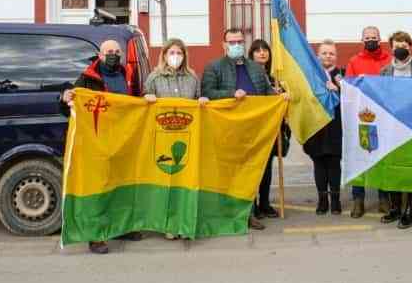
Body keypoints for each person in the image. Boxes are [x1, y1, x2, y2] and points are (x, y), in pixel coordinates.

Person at [60, 38, 143, 255]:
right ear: (100, 55)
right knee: (98, 188)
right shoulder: (88, 78)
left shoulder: (128, 75)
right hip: (97, 141)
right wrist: (63, 97)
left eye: (117, 51)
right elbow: (70, 104)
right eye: (109, 51)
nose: (113, 54)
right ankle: (96, 236)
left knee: (122, 185)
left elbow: (137, 102)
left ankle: (121, 227)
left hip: (123, 140)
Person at [200, 28, 280, 231]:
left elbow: (267, 93)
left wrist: (280, 97)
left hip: (255, 129)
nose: (236, 45)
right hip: (229, 129)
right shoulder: (214, 67)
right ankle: (238, 211)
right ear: (224, 45)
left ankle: (253, 210)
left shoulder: (256, 68)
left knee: (254, 170)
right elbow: (207, 92)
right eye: (232, 42)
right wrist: (231, 93)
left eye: (239, 42)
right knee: (235, 172)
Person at [143, 38, 209, 240]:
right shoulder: (154, 78)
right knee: (166, 184)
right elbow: (143, 103)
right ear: (163, 55)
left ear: (184, 56)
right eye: (171, 52)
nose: (175, 57)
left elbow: (199, 98)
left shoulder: (192, 78)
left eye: (179, 53)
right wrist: (146, 98)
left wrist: (202, 101)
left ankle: (186, 222)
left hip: (187, 137)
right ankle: (168, 224)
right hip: (162, 138)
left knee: (187, 182)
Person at [378, 31, 412, 229]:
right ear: (391, 48)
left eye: (405, 45)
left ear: (410, 46)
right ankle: (395, 208)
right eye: (397, 45)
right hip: (392, 125)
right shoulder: (384, 71)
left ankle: (410, 211)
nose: (401, 48)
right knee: (393, 168)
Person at [344, 26, 393, 218]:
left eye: (374, 37)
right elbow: (349, 86)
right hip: (362, 117)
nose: (371, 40)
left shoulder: (389, 60)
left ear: (380, 39)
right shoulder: (354, 62)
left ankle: (383, 198)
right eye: (367, 38)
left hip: (385, 116)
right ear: (362, 40)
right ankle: (358, 200)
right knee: (359, 156)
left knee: (382, 156)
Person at [247, 39, 292, 222]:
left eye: (265, 49)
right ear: (251, 54)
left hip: (272, 130)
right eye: (257, 50)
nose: (262, 53)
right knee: (254, 169)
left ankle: (265, 203)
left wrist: (284, 95)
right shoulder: (247, 74)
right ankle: (253, 205)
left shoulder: (276, 77)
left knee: (267, 168)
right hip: (253, 129)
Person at [303, 39, 344, 215]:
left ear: (336, 57)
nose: (328, 56)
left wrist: (338, 88)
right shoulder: (310, 75)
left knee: (334, 163)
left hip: (335, 125)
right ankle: (322, 200)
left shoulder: (343, 74)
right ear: (317, 56)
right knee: (318, 162)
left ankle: (335, 200)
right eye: (324, 53)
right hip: (316, 124)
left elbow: (352, 98)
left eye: (331, 53)